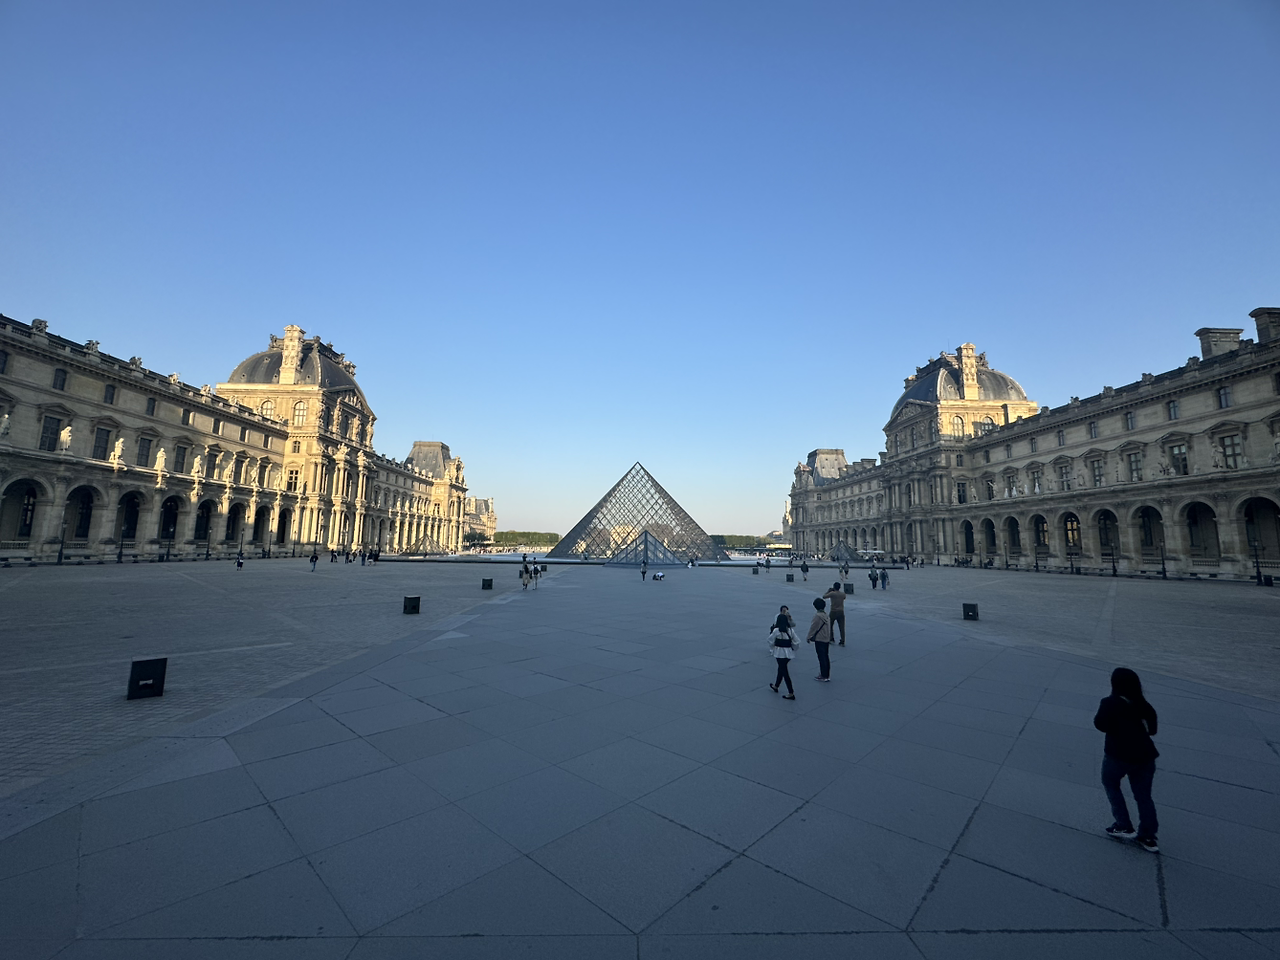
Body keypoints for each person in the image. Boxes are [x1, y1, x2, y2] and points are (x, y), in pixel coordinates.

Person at [1094, 667, 1160, 852]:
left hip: (1118, 755)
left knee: (1111, 784)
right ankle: (1148, 836)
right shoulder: (1144, 705)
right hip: (1145, 757)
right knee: (1144, 796)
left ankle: (1123, 824)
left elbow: (1100, 724)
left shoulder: (1109, 702)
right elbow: (1152, 730)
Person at [768, 613, 797, 699]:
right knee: (781, 668)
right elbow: (796, 641)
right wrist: (793, 649)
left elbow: (770, 640)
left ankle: (791, 692)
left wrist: (773, 648)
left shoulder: (776, 630)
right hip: (788, 653)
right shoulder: (790, 630)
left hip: (779, 652)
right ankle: (776, 685)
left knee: (784, 671)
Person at [806, 597, 832, 681]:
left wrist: (809, 637)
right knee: (826, 656)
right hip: (826, 638)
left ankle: (823, 675)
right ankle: (827, 674)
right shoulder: (826, 615)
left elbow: (813, 627)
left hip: (819, 638)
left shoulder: (817, 616)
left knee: (821, 657)